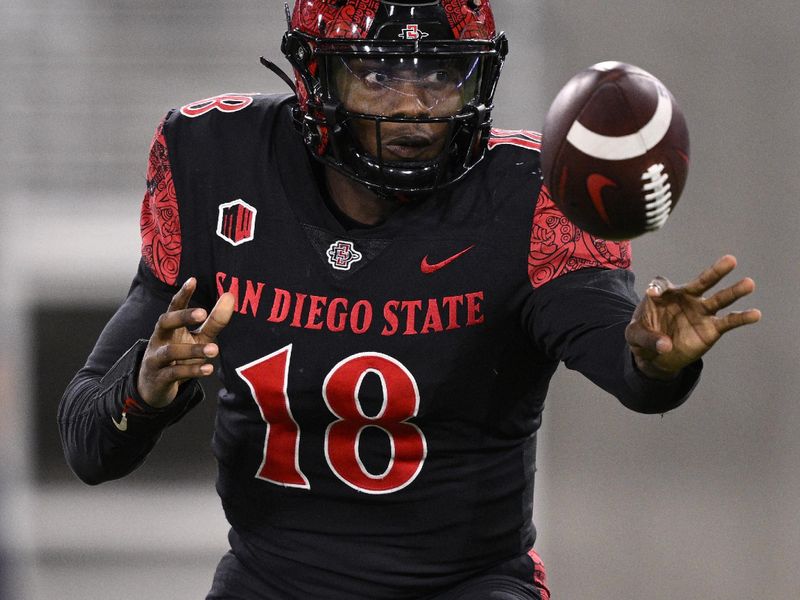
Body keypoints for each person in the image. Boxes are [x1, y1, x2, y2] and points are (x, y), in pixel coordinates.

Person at [58, 2, 761, 599]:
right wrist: (142, 391)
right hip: (271, 581)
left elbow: (629, 365)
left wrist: (657, 357)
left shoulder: (529, 193)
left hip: (468, 585)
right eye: (378, 72)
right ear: (315, 74)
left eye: (442, 73)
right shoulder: (211, 158)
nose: (414, 106)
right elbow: (88, 444)